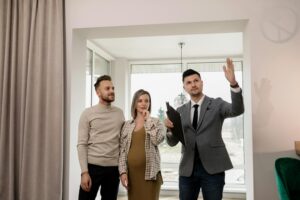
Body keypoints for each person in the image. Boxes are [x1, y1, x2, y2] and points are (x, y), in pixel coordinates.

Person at [164, 58, 244, 200]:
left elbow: (237, 110)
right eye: (188, 82)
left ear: (201, 83)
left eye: (196, 80)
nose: (193, 84)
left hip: (213, 169)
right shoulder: (180, 111)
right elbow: (172, 142)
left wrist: (233, 84)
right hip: (188, 169)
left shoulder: (217, 104)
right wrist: (169, 131)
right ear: (184, 88)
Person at [77, 75, 125, 200]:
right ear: (98, 92)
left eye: (113, 88)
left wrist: (122, 170)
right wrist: (84, 172)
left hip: (113, 169)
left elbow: (122, 142)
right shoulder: (87, 113)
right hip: (93, 168)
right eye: (107, 88)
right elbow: (81, 144)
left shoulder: (119, 113)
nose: (112, 91)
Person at [119, 89, 164, 200]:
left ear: (149, 104)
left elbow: (157, 140)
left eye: (146, 101)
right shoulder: (126, 125)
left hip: (150, 175)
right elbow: (122, 151)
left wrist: (147, 120)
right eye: (140, 101)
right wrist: (123, 172)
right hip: (132, 175)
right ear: (135, 104)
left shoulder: (156, 122)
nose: (143, 103)